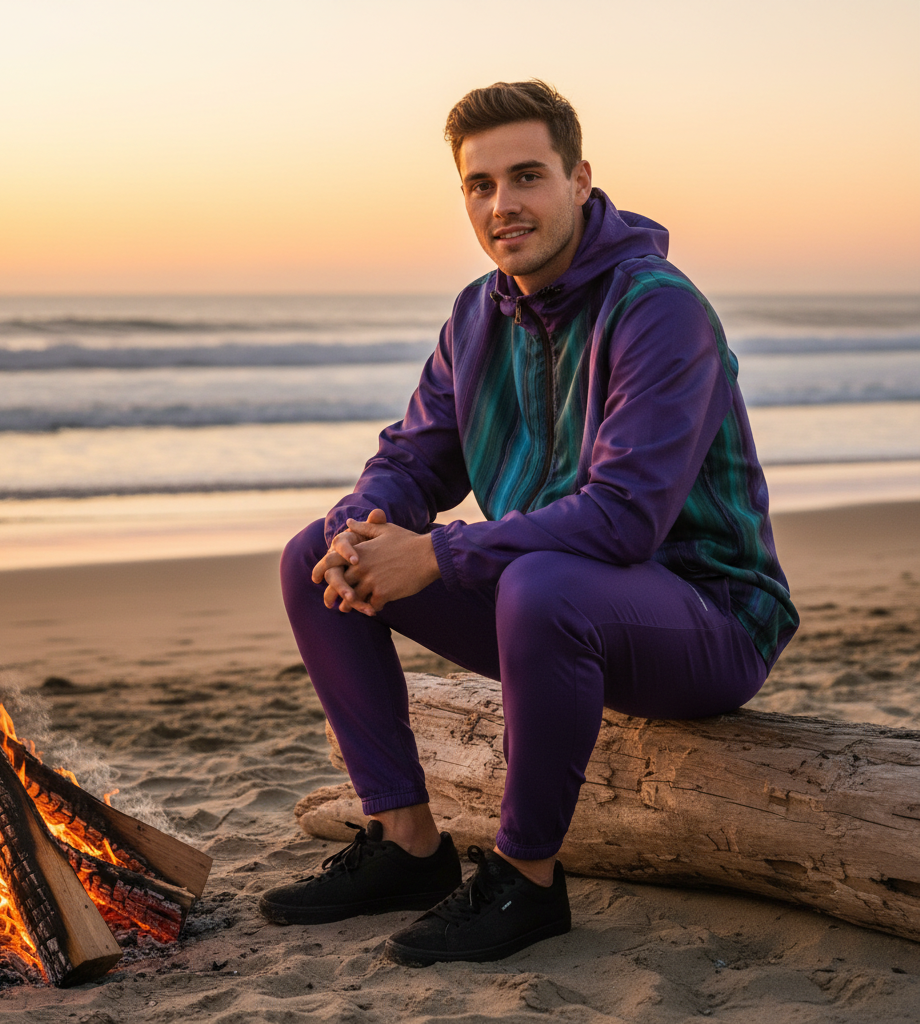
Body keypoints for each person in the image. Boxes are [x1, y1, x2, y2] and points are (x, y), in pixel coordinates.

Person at [259, 80, 798, 966]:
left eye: (527, 176)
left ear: (580, 179)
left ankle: (527, 880)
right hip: (551, 612)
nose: (502, 204)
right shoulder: (477, 315)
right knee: (316, 557)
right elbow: (412, 460)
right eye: (480, 185)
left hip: (708, 620)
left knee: (542, 586)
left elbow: (624, 520)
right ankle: (406, 844)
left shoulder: (658, 309)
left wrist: (438, 553)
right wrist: (364, 527)